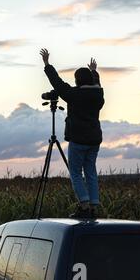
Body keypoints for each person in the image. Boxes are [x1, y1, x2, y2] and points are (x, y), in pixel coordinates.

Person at [39, 48, 105, 218]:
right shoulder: (98, 94)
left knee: (75, 172)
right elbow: (96, 84)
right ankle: (94, 205)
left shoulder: (73, 94)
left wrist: (47, 64)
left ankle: (83, 205)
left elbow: (57, 83)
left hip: (78, 140)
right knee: (90, 171)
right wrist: (94, 72)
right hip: (94, 140)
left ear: (77, 81)